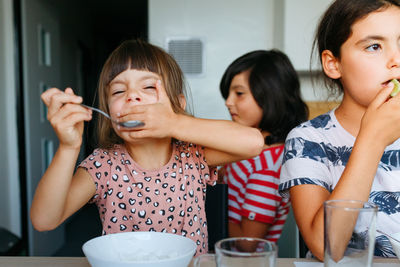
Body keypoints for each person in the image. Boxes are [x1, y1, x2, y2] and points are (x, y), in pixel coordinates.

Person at [30, 39, 264, 255]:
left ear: (178, 104)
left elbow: (253, 143)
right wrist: (69, 147)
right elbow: (44, 220)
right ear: (110, 111)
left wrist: (174, 121)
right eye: (119, 91)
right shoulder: (104, 165)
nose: (132, 96)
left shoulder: (194, 155)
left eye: (149, 88)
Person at [278, 0, 400, 260]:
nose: (396, 60)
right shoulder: (308, 140)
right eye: (374, 46)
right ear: (334, 64)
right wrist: (373, 139)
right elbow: (326, 246)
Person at [219, 50, 309, 243]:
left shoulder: (267, 166)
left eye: (239, 94)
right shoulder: (249, 152)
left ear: (271, 96)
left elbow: (247, 243)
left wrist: (205, 202)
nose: (228, 102)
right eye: (228, 93)